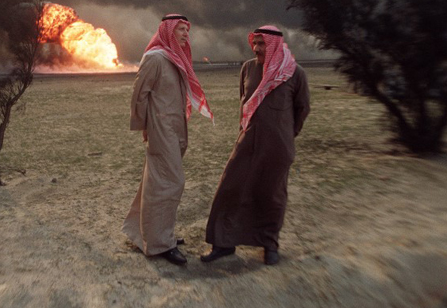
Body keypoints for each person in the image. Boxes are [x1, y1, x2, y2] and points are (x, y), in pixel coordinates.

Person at [201, 25, 310, 265]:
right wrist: (245, 131)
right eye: (255, 43)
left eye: (262, 44)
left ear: (275, 44)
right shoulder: (248, 68)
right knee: (230, 187)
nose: (257, 48)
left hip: (278, 146)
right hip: (248, 140)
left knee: (271, 195)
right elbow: (244, 101)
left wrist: (287, 135)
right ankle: (223, 243)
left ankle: (270, 245)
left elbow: (303, 108)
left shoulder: (295, 72)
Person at [123, 14, 213, 266]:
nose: (186, 34)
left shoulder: (175, 57)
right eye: (181, 30)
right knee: (171, 182)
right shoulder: (155, 58)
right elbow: (139, 95)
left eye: (187, 30)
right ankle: (160, 244)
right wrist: (144, 126)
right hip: (161, 128)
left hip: (175, 127)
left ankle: (154, 233)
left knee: (157, 183)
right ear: (167, 30)